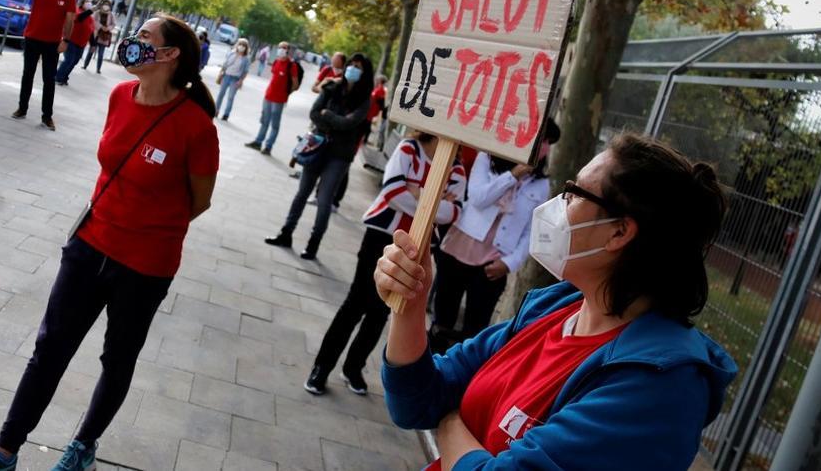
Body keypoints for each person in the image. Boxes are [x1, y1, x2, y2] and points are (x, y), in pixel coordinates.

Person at [0, 16, 219, 471]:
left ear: (171, 55)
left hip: (145, 265)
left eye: (145, 38)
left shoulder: (196, 126)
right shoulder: (119, 97)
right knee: (49, 349)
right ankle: (4, 452)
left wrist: (146, 225)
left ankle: (83, 446)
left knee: (117, 359)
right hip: (89, 244)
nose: (133, 43)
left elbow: (200, 201)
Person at [375, 132, 737, 470]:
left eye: (574, 193)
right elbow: (416, 401)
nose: (556, 205)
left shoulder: (660, 389)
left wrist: (451, 422)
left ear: (619, 232)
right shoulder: (552, 309)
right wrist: (411, 300)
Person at [305, 131, 465, 396]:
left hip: (417, 249)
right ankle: (322, 367)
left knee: (381, 311)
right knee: (355, 303)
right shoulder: (408, 149)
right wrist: (433, 200)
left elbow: (454, 212)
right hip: (380, 236)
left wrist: (416, 192)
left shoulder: (456, 167)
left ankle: (353, 368)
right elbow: (392, 193)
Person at [430, 119, 560, 353]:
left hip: (494, 263)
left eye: (549, 142)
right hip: (458, 250)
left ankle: (460, 383)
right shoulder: (485, 159)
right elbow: (479, 198)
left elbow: (532, 230)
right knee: (441, 323)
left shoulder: (541, 185)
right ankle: (429, 373)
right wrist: (514, 174)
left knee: (476, 333)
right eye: (542, 140)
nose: (545, 147)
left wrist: (509, 263)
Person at [265, 53, 374, 259]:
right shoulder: (331, 87)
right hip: (317, 147)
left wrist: (328, 116)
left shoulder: (364, 100)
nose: (352, 69)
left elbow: (349, 123)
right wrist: (333, 120)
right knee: (302, 193)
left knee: (324, 199)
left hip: (340, 155)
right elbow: (315, 113)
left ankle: (313, 244)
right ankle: (286, 233)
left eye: (358, 67)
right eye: (351, 64)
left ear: (365, 72)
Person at [11, 0, 76, 131]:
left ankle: (47, 117)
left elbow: (70, 19)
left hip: (52, 44)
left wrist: (66, 40)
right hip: (32, 38)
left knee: (49, 80)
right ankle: (22, 109)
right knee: (28, 75)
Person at [245, 41, 299, 155]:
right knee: (264, 121)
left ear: (288, 50)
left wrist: (287, 93)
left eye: (284, 48)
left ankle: (268, 146)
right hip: (268, 96)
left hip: (279, 100)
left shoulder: (291, 65)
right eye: (280, 47)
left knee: (274, 124)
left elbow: (295, 84)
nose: (281, 49)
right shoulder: (276, 61)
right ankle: (258, 142)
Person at [56, 0, 95, 86]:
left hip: (81, 44)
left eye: (90, 3)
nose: (89, 4)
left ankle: (64, 77)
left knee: (74, 62)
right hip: (71, 41)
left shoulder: (91, 18)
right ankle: (58, 77)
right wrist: (90, 11)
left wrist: (93, 44)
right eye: (87, 2)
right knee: (69, 60)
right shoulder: (77, 11)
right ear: (82, 3)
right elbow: (79, 18)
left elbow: (91, 31)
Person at [215, 38, 251, 120]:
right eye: (240, 44)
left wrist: (241, 81)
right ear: (237, 45)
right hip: (226, 76)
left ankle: (226, 114)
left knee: (231, 97)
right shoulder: (232, 54)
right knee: (221, 94)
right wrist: (221, 73)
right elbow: (225, 64)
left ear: (246, 48)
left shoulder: (246, 59)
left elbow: (245, 71)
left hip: (235, 79)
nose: (241, 46)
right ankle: (216, 110)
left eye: (243, 45)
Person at [82, 1, 114, 73]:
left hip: (104, 36)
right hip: (96, 35)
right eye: (105, 4)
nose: (106, 6)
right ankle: (85, 65)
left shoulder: (111, 14)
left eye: (107, 5)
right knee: (91, 51)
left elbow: (113, 24)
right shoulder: (97, 12)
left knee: (101, 54)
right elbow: (93, 21)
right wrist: (101, 26)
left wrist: (108, 28)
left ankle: (98, 69)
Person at [366, 74, 388, 145]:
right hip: (371, 109)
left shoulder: (381, 89)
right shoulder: (378, 88)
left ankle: (366, 138)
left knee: (368, 124)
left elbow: (379, 101)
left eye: (378, 79)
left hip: (373, 110)